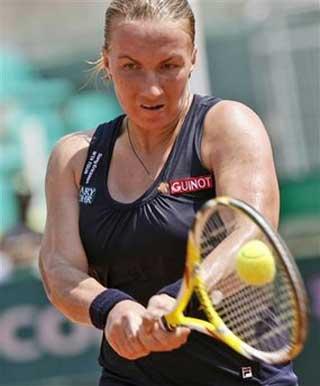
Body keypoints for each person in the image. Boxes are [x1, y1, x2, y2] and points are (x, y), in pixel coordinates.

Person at [39, 1, 298, 385]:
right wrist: (111, 308)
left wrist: (182, 295)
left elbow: (251, 234)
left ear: (193, 58)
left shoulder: (228, 126)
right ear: (107, 63)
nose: (152, 88)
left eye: (169, 65)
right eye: (130, 66)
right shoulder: (74, 158)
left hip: (241, 375)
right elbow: (58, 268)